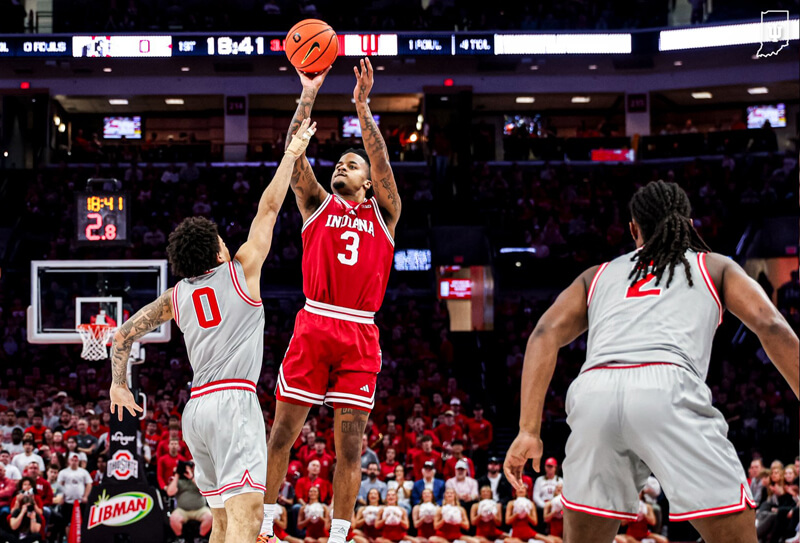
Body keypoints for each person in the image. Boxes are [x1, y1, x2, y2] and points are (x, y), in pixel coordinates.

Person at [504, 180, 799, 543]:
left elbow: (543, 333)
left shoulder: (596, 275)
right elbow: (770, 325)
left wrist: (528, 430)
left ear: (633, 229)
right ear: (690, 225)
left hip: (594, 393)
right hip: (667, 389)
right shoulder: (714, 266)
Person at [108, 118, 318, 543]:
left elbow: (122, 335)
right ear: (218, 249)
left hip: (197, 411)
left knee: (222, 521)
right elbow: (269, 209)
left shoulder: (177, 296)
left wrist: (118, 384)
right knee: (247, 517)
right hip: (232, 404)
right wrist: (291, 155)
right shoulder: (240, 271)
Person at [263, 58, 401, 543]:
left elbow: (381, 160)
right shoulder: (315, 202)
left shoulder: (385, 211)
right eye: (338, 161)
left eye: (352, 163)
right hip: (315, 322)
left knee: (350, 445)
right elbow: (294, 152)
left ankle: (339, 535)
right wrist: (308, 92)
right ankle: (263, 526)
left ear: (367, 182)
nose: (342, 164)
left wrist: (363, 108)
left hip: (359, 330)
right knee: (282, 434)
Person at [167, 460, 213, 540]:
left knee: (210, 517)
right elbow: (170, 492)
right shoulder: (179, 480)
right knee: (174, 519)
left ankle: (200, 538)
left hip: (200, 509)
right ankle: (180, 538)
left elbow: (205, 490)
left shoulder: (200, 478)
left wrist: (192, 477)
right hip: (182, 510)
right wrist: (177, 474)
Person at [56, 453, 91, 528]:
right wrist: (61, 497)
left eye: (76, 460)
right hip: (67, 501)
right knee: (66, 522)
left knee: (82, 522)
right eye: (72, 460)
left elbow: (89, 484)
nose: (74, 462)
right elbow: (60, 485)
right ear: (69, 461)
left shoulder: (84, 472)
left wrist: (85, 496)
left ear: (79, 461)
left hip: (80, 501)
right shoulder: (63, 472)